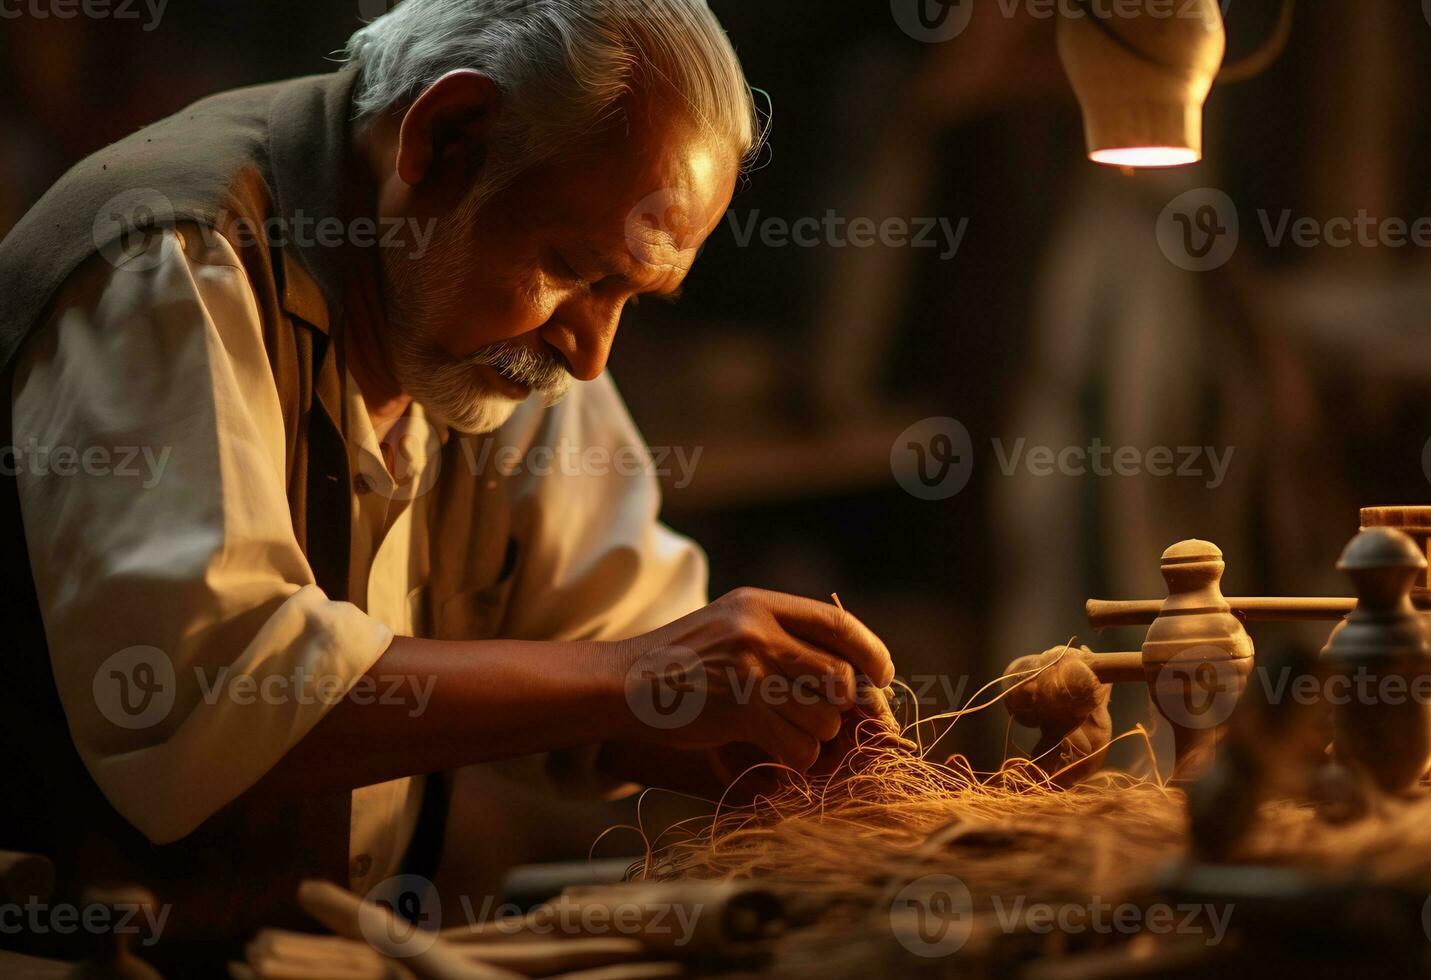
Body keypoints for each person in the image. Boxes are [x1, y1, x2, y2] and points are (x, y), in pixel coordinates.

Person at [0, 0, 892, 954]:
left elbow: (605, 640)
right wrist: (634, 676)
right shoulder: (173, 255)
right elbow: (214, 695)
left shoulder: (490, 323)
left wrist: (730, 725)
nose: (592, 353)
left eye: (631, 295)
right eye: (573, 270)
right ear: (444, 134)